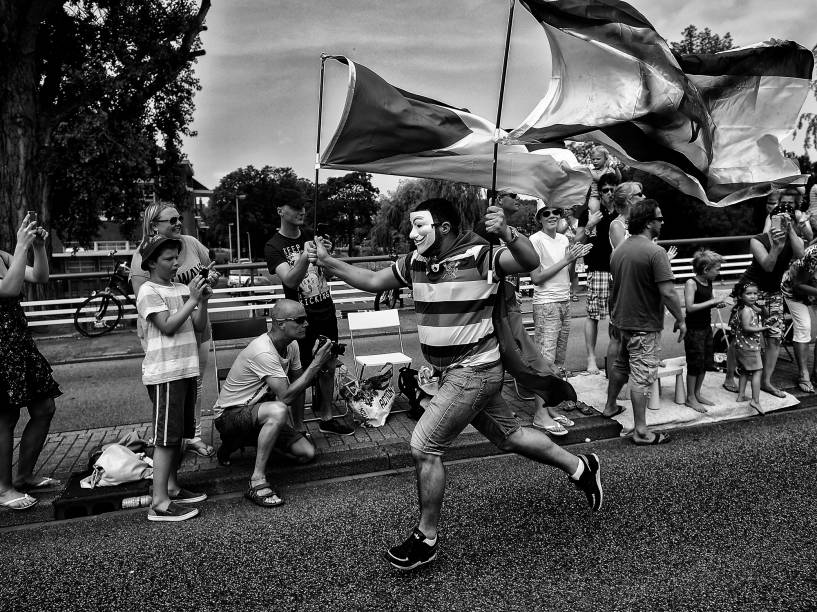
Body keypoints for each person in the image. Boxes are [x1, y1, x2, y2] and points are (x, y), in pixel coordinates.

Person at [308, 198, 604, 571]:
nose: (412, 234)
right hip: (451, 374)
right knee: (510, 436)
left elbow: (529, 262)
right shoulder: (415, 262)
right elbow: (370, 281)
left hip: (475, 371)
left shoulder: (480, 256)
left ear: (443, 228)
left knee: (424, 446)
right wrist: (328, 262)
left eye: (420, 226)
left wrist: (508, 232)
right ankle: (581, 467)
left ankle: (426, 538)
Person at [213, 299, 333, 507]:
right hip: (229, 416)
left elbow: (298, 385)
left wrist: (299, 427)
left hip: (259, 412)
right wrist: (315, 364)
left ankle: (244, 441)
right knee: (278, 410)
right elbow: (286, 397)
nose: (306, 324)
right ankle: (257, 479)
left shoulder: (292, 345)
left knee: (307, 453)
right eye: (300, 320)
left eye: (306, 319)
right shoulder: (263, 350)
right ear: (280, 323)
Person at [131, 202, 218, 458]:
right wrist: (190, 298)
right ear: (153, 225)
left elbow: (208, 270)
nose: (179, 223)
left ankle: (193, 436)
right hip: (165, 332)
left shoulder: (190, 243)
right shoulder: (142, 256)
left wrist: (207, 282)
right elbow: (145, 301)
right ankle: (169, 440)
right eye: (171, 220)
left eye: (179, 218)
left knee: (196, 382)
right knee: (168, 392)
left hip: (195, 322)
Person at [136, 235, 211, 522]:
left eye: (176, 258)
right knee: (165, 437)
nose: (175, 263)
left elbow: (199, 326)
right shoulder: (147, 290)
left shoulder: (180, 288)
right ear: (152, 262)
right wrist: (191, 299)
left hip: (185, 368)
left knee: (177, 434)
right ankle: (159, 502)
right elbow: (167, 326)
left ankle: (171, 487)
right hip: (165, 371)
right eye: (168, 259)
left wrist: (200, 300)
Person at [264, 200, 353, 436]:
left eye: (303, 207)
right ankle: (299, 427)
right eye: (294, 207)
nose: (301, 211)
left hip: (325, 310)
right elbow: (291, 280)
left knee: (328, 364)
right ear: (280, 210)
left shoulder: (312, 235)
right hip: (299, 318)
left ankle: (326, 416)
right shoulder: (273, 246)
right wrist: (305, 256)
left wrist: (326, 255)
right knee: (300, 369)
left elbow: (326, 271)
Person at [603, 199, 686, 445]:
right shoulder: (656, 252)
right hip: (643, 324)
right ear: (649, 222)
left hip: (622, 322)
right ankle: (641, 431)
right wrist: (681, 319)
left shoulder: (619, 250)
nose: (662, 222)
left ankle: (609, 406)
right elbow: (669, 292)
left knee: (621, 365)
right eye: (659, 218)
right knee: (641, 376)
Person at [0, 214, 61, 511]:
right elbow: (8, 290)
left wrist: (37, 247)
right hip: (0, 350)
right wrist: (21, 244)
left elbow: (39, 277)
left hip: (18, 344)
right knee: (5, 418)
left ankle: (23, 476)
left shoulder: (2, 256)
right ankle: (3, 488)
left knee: (44, 407)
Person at [722, 195, 804, 397]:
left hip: (774, 292)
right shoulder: (757, 240)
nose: (782, 224)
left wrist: (790, 229)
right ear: (771, 220)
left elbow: (801, 254)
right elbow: (768, 266)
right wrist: (776, 246)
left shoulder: (794, 238)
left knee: (775, 336)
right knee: (740, 336)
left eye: (786, 220)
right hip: (751, 289)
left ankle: (766, 381)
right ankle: (729, 377)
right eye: (778, 219)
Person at [529, 201, 592, 434]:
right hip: (546, 304)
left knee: (557, 361)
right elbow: (536, 278)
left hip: (564, 301)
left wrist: (575, 256)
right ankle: (539, 414)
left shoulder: (564, 239)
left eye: (557, 212)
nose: (553, 215)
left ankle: (550, 407)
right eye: (547, 213)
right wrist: (566, 260)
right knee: (544, 361)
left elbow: (567, 271)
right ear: (539, 217)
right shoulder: (535, 240)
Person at [576, 172, 619, 374]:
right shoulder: (591, 212)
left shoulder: (623, 212)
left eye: (613, 189)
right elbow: (577, 242)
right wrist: (590, 225)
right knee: (593, 315)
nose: (610, 193)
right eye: (605, 190)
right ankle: (591, 358)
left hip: (620, 270)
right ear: (599, 193)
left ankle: (616, 356)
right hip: (598, 268)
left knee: (618, 316)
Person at [683, 249, 727, 412]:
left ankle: (697, 393)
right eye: (717, 269)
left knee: (705, 362)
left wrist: (717, 303)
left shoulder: (708, 282)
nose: (718, 272)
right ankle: (690, 398)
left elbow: (708, 302)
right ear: (706, 269)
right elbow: (690, 307)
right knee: (694, 363)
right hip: (694, 330)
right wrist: (712, 302)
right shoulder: (691, 283)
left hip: (706, 327)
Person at [780, 245, 817, 393]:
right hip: (794, 291)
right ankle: (803, 374)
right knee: (804, 327)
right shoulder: (813, 255)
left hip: (814, 289)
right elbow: (798, 284)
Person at [731, 282, 768, 414]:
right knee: (758, 371)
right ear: (741, 296)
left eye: (755, 293)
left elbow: (763, 312)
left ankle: (741, 395)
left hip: (742, 347)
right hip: (749, 348)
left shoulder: (746, 308)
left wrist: (762, 307)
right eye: (749, 293)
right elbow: (747, 327)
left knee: (745, 372)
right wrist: (762, 328)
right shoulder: (747, 310)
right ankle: (755, 401)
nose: (753, 296)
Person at [586, 146, 621, 212]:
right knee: (594, 209)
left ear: (606, 159)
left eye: (598, 159)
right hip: (595, 197)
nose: (595, 161)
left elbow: (618, 179)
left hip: (609, 195)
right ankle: (594, 219)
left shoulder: (610, 170)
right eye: (593, 159)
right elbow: (599, 178)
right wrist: (606, 168)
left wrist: (616, 169)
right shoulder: (591, 171)